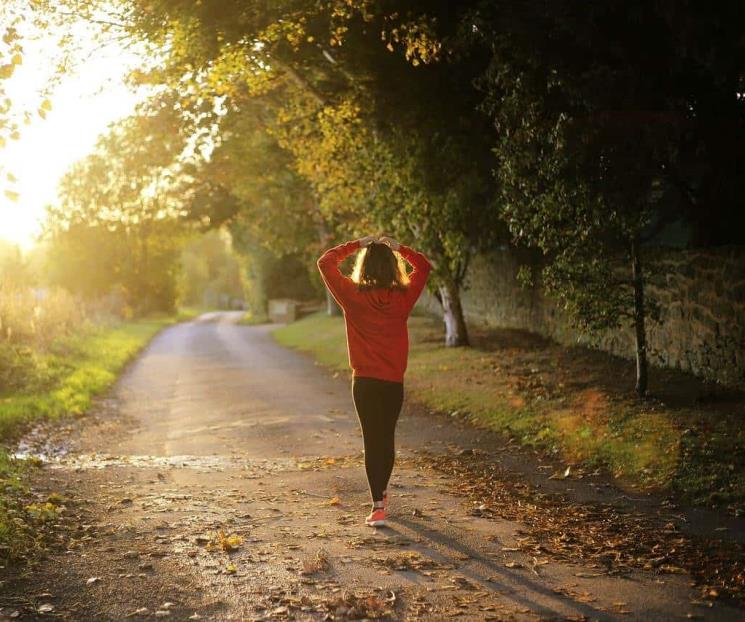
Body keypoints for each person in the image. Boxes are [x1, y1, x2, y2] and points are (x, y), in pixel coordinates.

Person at [317, 235, 433, 527]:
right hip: (393, 382)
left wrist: (357, 244)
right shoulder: (403, 298)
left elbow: (325, 262)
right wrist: (400, 248)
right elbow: (424, 266)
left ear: (364, 266)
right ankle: (381, 494)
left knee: (372, 440)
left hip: (365, 383)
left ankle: (378, 505)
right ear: (393, 267)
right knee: (386, 439)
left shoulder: (352, 296)